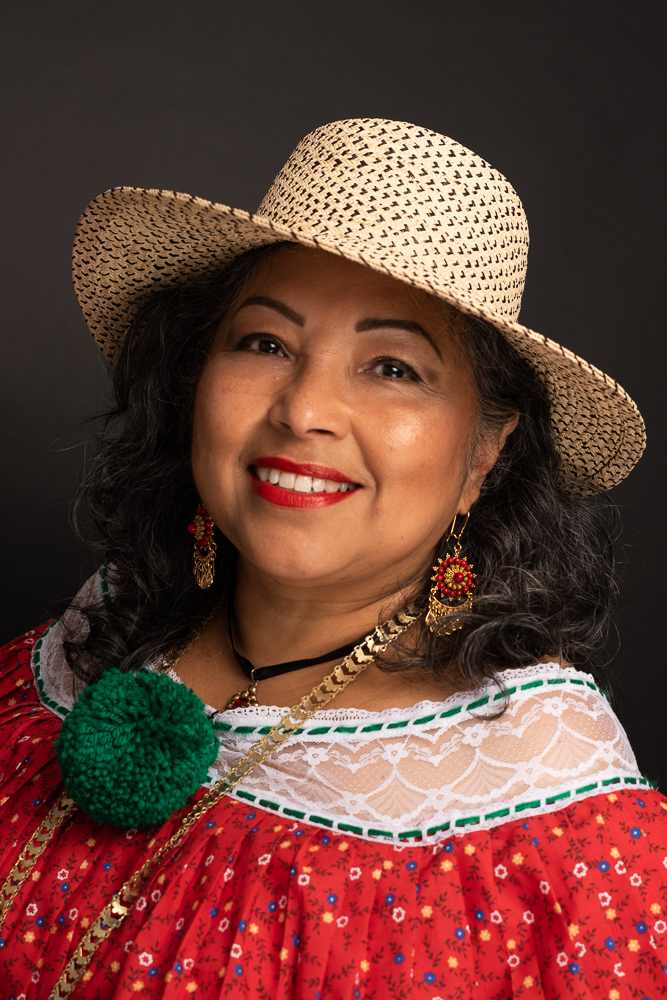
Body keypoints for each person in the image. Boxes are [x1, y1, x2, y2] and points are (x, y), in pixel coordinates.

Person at [0, 118, 662, 999]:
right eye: (265, 344)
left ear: (484, 452)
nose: (303, 410)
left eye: (392, 368)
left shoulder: (553, 811)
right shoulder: (100, 628)